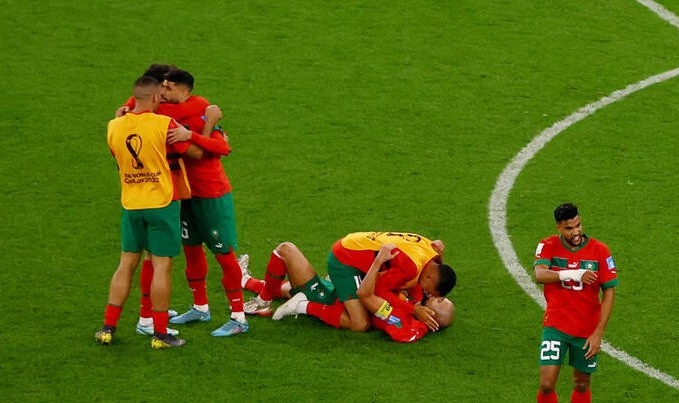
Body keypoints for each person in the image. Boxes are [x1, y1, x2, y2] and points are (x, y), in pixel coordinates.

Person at [96, 76, 203, 350]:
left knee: (126, 265)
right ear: (155, 98)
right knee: (161, 267)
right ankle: (159, 333)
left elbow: (117, 156)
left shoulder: (113, 126)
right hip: (162, 204)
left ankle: (108, 328)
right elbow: (193, 153)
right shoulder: (163, 124)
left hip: (131, 205)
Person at [159, 69, 249, 337]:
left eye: (168, 87)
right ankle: (200, 307)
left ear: (184, 91)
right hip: (185, 194)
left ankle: (239, 317)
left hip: (212, 194)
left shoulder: (200, 107)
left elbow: (222, 148)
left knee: (224, 254)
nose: (163, 92)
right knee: (191, 250)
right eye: (161, 86)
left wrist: (192, 135)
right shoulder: (163, 111)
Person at [530, 203, 618, 403]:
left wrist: (599, 332)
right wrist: (575, 273)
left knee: (582, 382)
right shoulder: (547, 246)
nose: (576, 231)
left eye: (578, 225)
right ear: (559, 227)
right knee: (546, 383)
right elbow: (539, 274)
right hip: (555, 327)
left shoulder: (600, 251)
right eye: (569, 228)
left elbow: (609, 291)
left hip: (585, 331)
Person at [243, 233, 456, 335]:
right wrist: (413, 308)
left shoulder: (429, 255)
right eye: (441, 296)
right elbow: (369, 292)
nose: (434, 296)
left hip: (355, 260)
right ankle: (297, 304)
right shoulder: (416, 288)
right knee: (359, 324)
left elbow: (371, 293)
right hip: (349, 263)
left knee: (296, 289)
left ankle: (246, 280)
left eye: (439, 300)